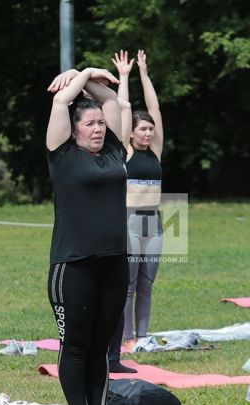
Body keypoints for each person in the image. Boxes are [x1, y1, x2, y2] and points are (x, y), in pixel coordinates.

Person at [45, 67, 129, 405]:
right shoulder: (61, 154)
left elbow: (112, 100)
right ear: (74, 128)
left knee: (102, 344)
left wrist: (93, 79)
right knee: (76, 344)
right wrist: (83, 73)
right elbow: (62, 99)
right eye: (89, 123)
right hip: (73, 265)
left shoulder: (114, 148)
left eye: (100, 123)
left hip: (114, 263)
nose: (97, 128)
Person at [111, 49, 165, 355]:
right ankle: (126, 337)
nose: (148, 132)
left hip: (154, 222)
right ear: (132, 133)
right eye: (143, 129)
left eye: (150, 129)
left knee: (147, 284)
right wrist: (125, 76)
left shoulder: (155, 151)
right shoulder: (126, 153)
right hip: (130, 220)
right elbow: (123, 108)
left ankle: (143, 335)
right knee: (128, 285)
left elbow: (154, 109)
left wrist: (145, 73)